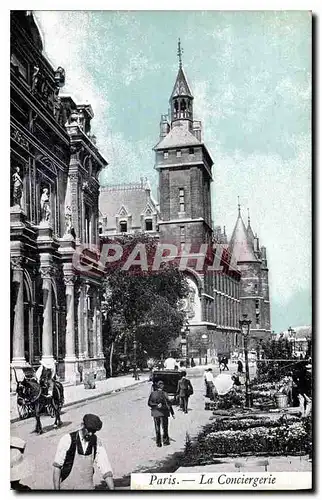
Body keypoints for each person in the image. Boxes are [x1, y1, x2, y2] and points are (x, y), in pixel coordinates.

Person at [53, 414, 114, 490]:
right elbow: (57, 468)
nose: (91, 434)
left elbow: (105, 468)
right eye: (89, 430)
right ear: (82, 425)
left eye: (93, 431)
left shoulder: (96, 442)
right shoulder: (67, 440)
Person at [148, 380, 175, 447]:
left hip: (155, 413)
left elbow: (149, 403)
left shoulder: (152, 393)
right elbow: (169, 404)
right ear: (162, 386)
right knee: (165, 427)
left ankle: (158, 443)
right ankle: (165, 441)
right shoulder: (165, 393)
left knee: (157, 428)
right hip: (164, 413)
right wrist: (172, 413)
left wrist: (156, 405)